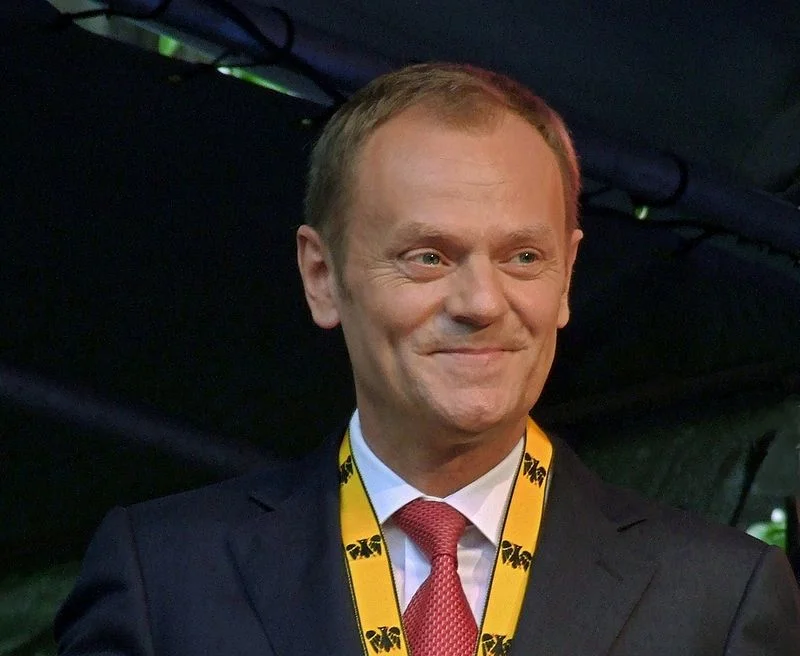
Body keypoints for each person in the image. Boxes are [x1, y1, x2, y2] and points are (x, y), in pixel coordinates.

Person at [55, 62, 800, 655]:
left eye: (523, 256)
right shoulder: (165, 579)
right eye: (429, 256)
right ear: (322, 277)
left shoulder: (718, 599)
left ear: (568, 277)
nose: (481, 302)